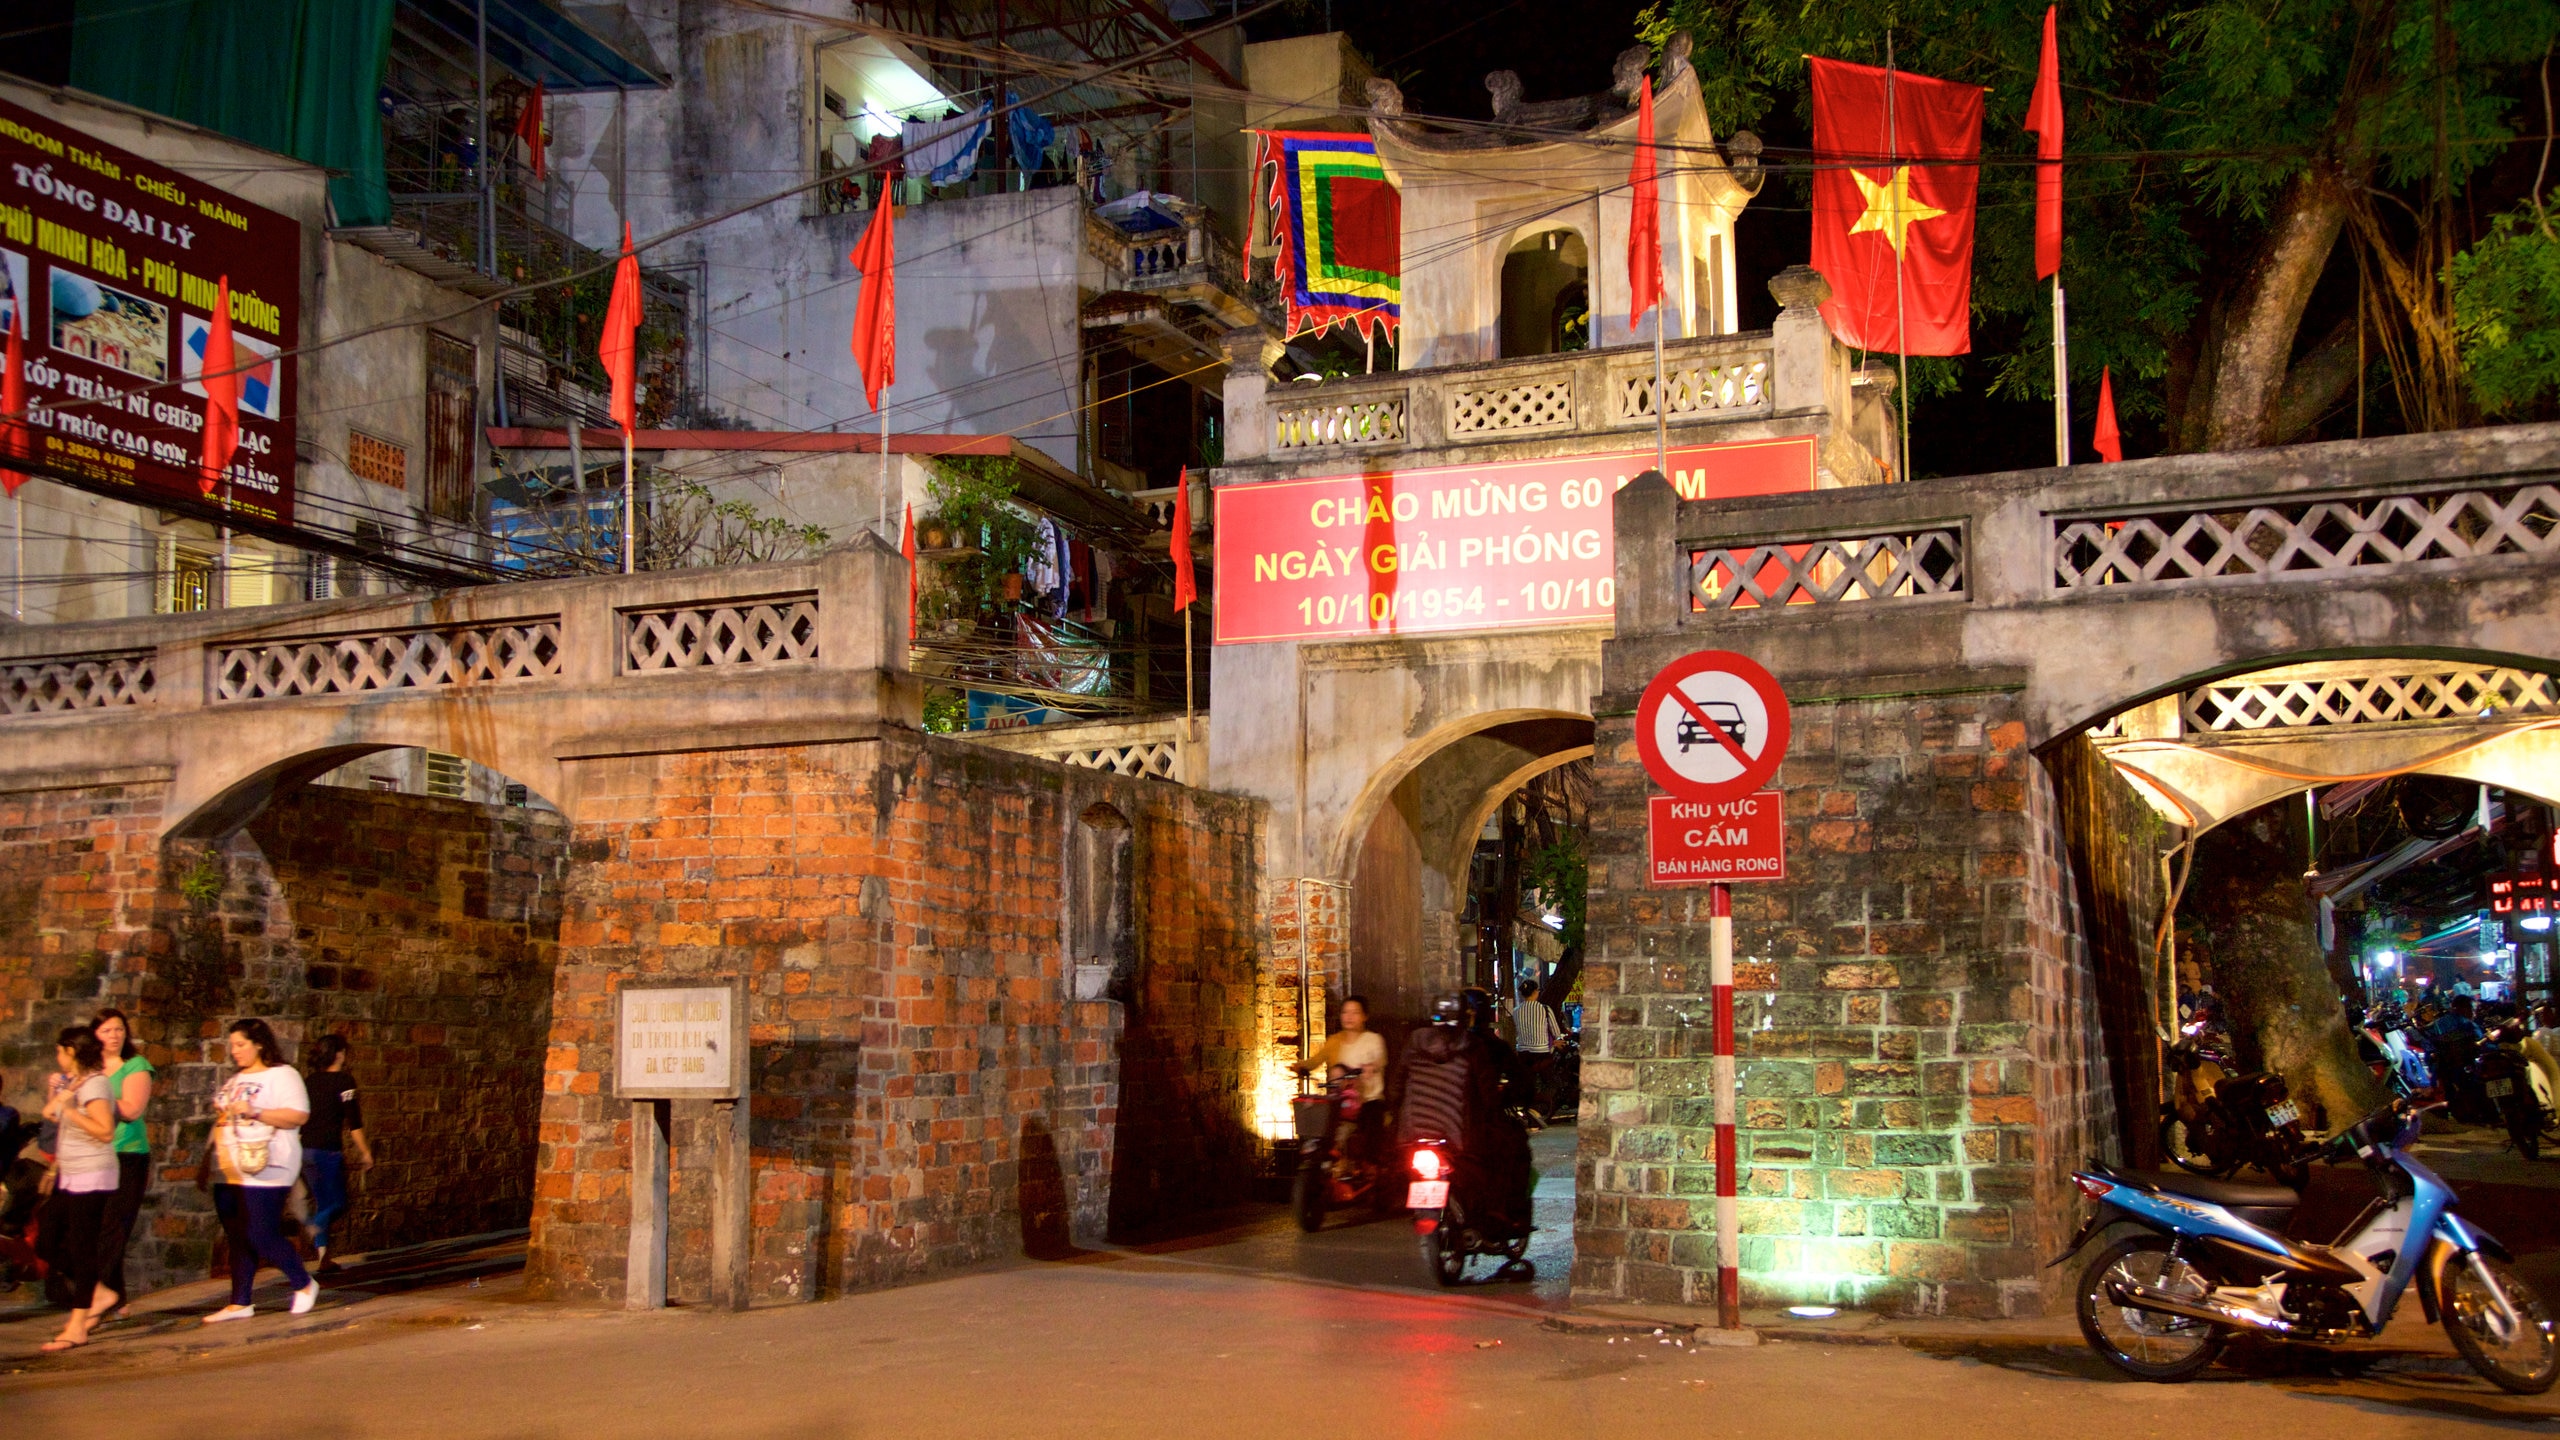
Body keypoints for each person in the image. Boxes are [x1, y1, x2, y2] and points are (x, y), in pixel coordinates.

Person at [204, 1019, 318, 1323]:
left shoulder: (283, 1075)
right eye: (232, 1045)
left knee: (259, 1230)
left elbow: (298, 1115)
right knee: (238, 1233)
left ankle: (303, 1282)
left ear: (259, 1044)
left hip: (269, 1162)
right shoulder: (236, 1078)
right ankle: (240, 1301)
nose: (235, 1051)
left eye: (241, 1044)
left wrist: (256, 1111)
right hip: (232, 1165)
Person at [36, 1025, 118, 1352]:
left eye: (60, 1051)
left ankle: (78, 1325)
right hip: (70, 1173)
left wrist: (70, 1109)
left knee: (82, 1246)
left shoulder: (96, 1084)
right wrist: (58, 1094)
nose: (57, 1058)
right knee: (46, 1240)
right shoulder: (78, 1082)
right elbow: (49, 1115)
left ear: (72, 1051)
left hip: (92, 1174)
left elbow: (105, 1130)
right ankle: (99, 1292)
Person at [89, 1008, 152, 1319]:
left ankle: (96, 1298)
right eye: (107, 1031)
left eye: (118, 1030)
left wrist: (92, 1095)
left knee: (113, 1227)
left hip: (127, 1154)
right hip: (93, 1154)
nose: (114, 1036)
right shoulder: (89, 1068)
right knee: (93, 1226)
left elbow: (132, 1109)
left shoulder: (135, 1066)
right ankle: (117, 1299)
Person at [300, 1034, 374, 1275]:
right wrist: (365, 1151)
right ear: (339, 1054)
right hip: (328, 1151)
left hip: (306, 1150)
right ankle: (314, 1225)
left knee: (323, 1203)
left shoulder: (309, 1081)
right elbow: (354, 1123)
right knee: (338, 1204)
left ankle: (324, 1258)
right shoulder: (345, 1082)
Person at [1292, 996, 1388, 1170]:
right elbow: (1316, 1061)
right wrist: (1300, 1066)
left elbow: (1377, 1060)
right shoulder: (1334, 1041)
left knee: (1370, 1133)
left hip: (1367, 1101)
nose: (1349, 1017)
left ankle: (1370, 1167)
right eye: (1345, 1012)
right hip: (1340, 1101)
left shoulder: (1373, 1040)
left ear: (1365, 1016)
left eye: (1355, 1012)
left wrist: (1369, 1068)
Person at [1510, 979, 1562, 1123]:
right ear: (1535, 992)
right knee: (1553, 1083)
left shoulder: (1516, 1011)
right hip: (1541, 1054)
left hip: (1523, 1054)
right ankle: (1536, 1109)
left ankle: (1529, 1117)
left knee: (1529, 1085)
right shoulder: (1544, 1009)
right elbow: (1556, 1032)